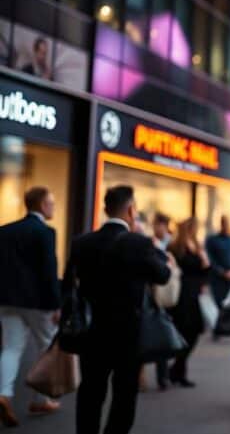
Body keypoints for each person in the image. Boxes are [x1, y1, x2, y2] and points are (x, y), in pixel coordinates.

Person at [67, 185, 171, 434]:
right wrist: (152, 245)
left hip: (92, 330)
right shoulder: (139, 243)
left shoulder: (82, 243)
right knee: (125, 394)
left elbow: (69, 282)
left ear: (105, 209)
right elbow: (163, 275)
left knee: (91, 391)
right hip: (129, 333)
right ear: (131, 210)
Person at [0, 187, 60, 426]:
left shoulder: (5, 231)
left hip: (6, 300)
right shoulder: (45, 233)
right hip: (38, 303)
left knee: (11, 347)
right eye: (51, 203)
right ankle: (40, 399)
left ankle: (4, 393)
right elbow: (49, 271)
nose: (54, 207)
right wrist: (56, 304)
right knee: (47, 347)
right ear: (43, 205)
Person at [167, 218, 209, 387]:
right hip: (181, 294)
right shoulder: (176, 247)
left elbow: (205, 270)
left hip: (194, 295)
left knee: (195, 331)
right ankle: (178, 372)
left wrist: (204, 261)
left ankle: (177, 368)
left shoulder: (198, 247)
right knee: (183, 331)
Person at [148, 212, 173, 389]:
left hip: (168, 292)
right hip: (153, 293)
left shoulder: (172, 243)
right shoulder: (149, 242)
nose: (156, 228)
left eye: (158, 224)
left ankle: (164, 374)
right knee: (157, 328)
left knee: (164, 329)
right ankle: (161, 376)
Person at [205, 215, 230, 309]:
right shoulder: (212, 240)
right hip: (217, 279)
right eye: (224, 223)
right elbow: (210, 259)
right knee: (219, 305)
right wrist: (222, 272)